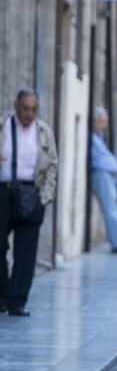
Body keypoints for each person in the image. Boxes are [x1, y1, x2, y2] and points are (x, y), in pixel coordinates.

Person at [0, 90, 58, 316]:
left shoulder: (43, 132)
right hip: (3, 190)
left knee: (26, 250)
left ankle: (17, 300)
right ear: (16, 106)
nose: (29, 113)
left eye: (34, 109)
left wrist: (46, 196)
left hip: (31, 192)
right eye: (25, 108)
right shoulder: (3, 126)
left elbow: (53, 163)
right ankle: (2, 294)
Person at [91, 108, 117, 254]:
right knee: (110, 209)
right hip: (100, 174)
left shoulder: (98, 137)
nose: (104, 125)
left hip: (107, 175)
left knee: (113, 209)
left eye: (105, 121)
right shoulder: (90, 137)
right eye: (101, 121)